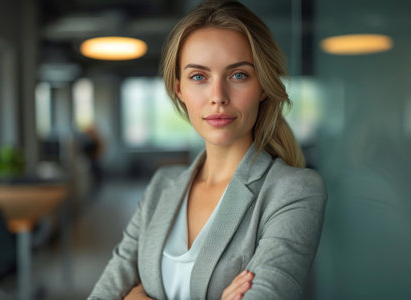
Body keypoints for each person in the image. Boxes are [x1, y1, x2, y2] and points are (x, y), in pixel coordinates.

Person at [88, 1, 327, 299]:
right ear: (179, 89)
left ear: (263, 85)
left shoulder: (294, 191)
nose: (218, 97)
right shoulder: (161, 186)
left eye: (238, 75)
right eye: (199, 77)